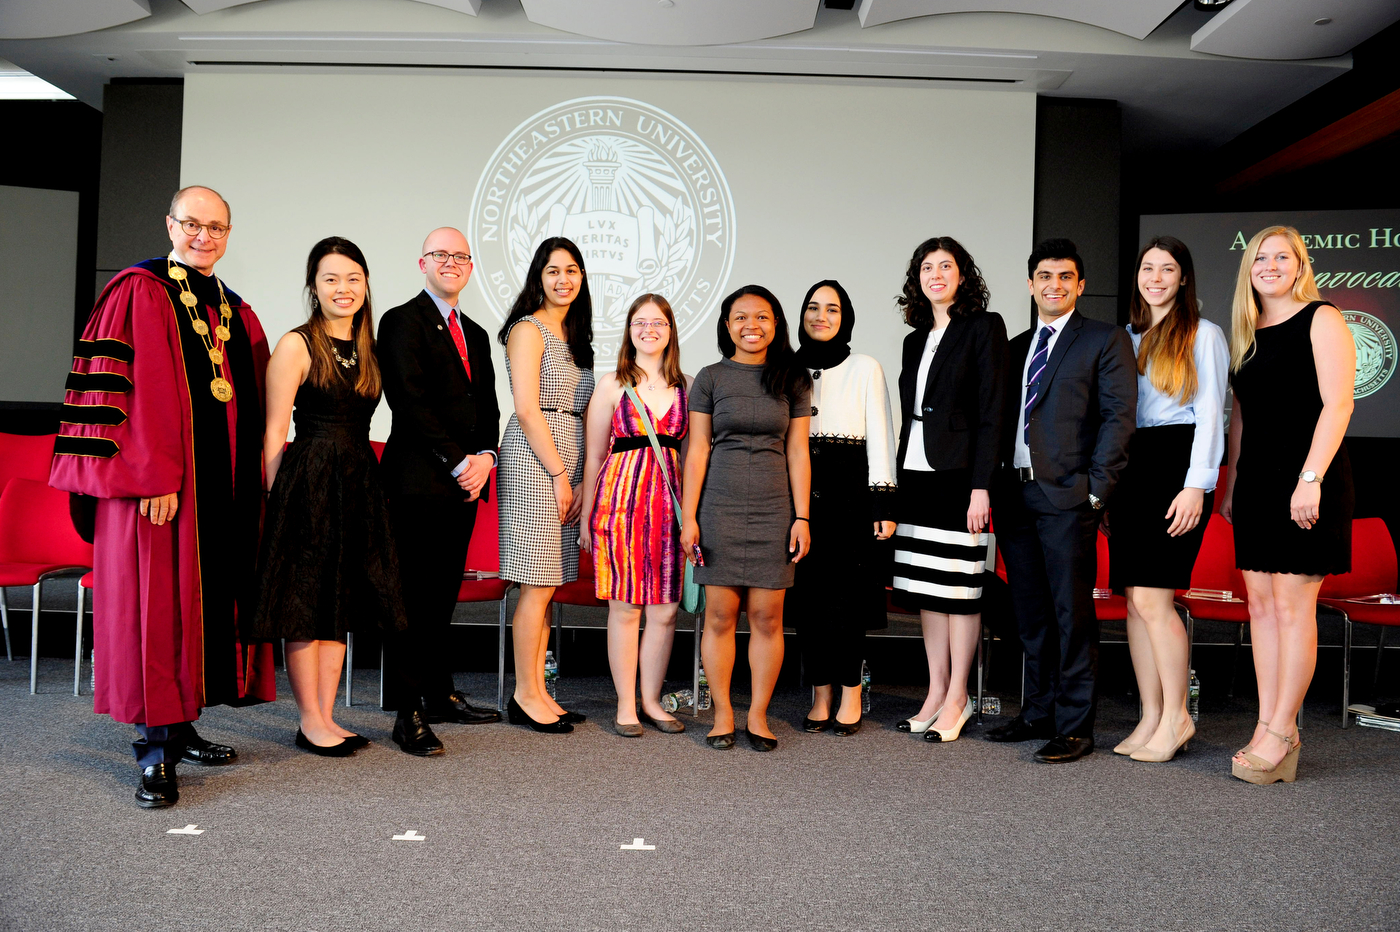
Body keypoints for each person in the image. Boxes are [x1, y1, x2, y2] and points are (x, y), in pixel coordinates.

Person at [49, 185, 275, 808]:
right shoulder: (137, 290)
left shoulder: (233, 308)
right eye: (192, 224)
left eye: (217, 228)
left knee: (196, 612)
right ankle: (153, 754)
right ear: (169, 223)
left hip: (219, 494)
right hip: (161, 492)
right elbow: (126, 393)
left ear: (229, 233)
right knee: (157, 612)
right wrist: (154, 478)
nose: (204, 236)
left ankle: (181, 726)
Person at [252, 237, 408, 756]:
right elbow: (274, 432)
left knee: (338, 600)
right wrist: (277, 499)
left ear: (366, 285)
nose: (343, 289)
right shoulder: (296, 344)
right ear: (313, 288)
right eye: (330, 279)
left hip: (359, 477)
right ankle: (309, 719)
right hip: (308, 480)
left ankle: (327, 715)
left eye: (353, 279)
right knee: (304, 601)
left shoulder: (369, 348)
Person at [985, 238, 1136, 764]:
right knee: (1030, 612)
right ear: (1031, 285)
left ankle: (1075, 726)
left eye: (1065, 276)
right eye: (1044, 276)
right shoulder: (1015, 345)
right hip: (1016, 493)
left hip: (1069, 496)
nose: (1054, 285)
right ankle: (1038, 712)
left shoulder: (1104, 339)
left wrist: (1097, 490)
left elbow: (1119, 419)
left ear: (1080, 284)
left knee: (1072, 613)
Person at [1220, 225, 1355, 785]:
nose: (1270, 265)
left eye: (1282, 257)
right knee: (1261, 608)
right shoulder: (1248, 330)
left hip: (1307, 480)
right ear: (1248, 268)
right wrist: (1230, 483)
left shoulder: (1322, 318)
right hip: (1255, 481)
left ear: (1300, 266)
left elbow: (1338, 404)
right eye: (1260, 258)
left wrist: (1310, 478)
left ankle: (1282, 730)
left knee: (1293, 607)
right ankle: (1268, 724)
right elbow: (1242, 416)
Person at [378, 227, 503, 757]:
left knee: (442, 598)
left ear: (470, 268)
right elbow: (409, 402)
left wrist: (486, 459)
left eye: (461, 257)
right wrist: (458, 462)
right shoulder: (400, 321)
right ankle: (407, 713)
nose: (450, 263)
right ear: (422, 262)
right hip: (418, 483)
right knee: (412, 600)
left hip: (464, 487)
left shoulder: (474, 331)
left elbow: (489, 407)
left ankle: (438, 693)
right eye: (440, 255)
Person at [1108, 236, 1228, 763]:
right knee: (1134, 603)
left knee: (1155, 601)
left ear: (1184, 278)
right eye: (1147, 268)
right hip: (1134, 468)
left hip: (1176, 465)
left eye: (1168, 268)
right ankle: (1150, 716)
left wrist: (1196, 485)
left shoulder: (1204, 334)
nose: (1155, 277)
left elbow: (1211, 416)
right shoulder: (1128, 337)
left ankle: (1178, 716)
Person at [681, 285, 812, 751]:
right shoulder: (710, 378)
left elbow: (798, 451)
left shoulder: (793, 379)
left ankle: (757, 715)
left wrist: (803, 517)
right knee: (719, 615)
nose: (751, 326)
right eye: (740, 317)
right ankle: (722, 713)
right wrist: (689, 516)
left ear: (776, 324)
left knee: (766, 615)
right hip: (718, 505)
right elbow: (696, 450)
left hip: (775, 508)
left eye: (762, 317)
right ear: (726, 324)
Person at [889, 239, 1008, 743]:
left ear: (963, 275)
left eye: (946, 266)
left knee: (959, 589)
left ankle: (959, 695)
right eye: (927, 267)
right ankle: (935, 692)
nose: (935, 274)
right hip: (915, 472)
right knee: (926, 591)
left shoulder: (985, 326)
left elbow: (992, 411)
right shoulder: (915, 338)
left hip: (961, 476)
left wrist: (982, 486)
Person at [787, 280, 897, 737]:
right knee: (808, 600)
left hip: (850, 497)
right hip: (796, 498)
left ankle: (851, 688)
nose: (821, 316)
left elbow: (882, 438)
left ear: (845, 317)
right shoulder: (784, 368)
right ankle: (820, 692)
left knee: (848, 601)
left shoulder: (864, 366)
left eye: (832, 309)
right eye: (813, 307)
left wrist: (883, 501)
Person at [579, 294, 691, 737]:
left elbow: (696, 456)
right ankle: (626, 703)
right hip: (619, 507)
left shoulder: (689, 385)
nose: (649, 329)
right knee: (625, 609)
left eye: (658, 322)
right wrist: (588, 515)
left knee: (664, 611)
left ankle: (650, 700)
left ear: (670, 330)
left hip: (670, 511)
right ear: (629, 331)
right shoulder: (611, 384)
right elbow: (592, 457)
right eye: (639, 322)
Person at [497, 237, 597, 733]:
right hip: (537, 459)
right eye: (553, 270)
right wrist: (559, 474)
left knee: (551, 581)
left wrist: (577, 473)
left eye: (572, 270)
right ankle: (524, 694)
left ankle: (538, 690)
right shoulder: (528, 329)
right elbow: (526, 407)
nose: (564, 279)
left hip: (569, 453)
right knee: (536, 585)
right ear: (539, 276)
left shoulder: (576, 334)